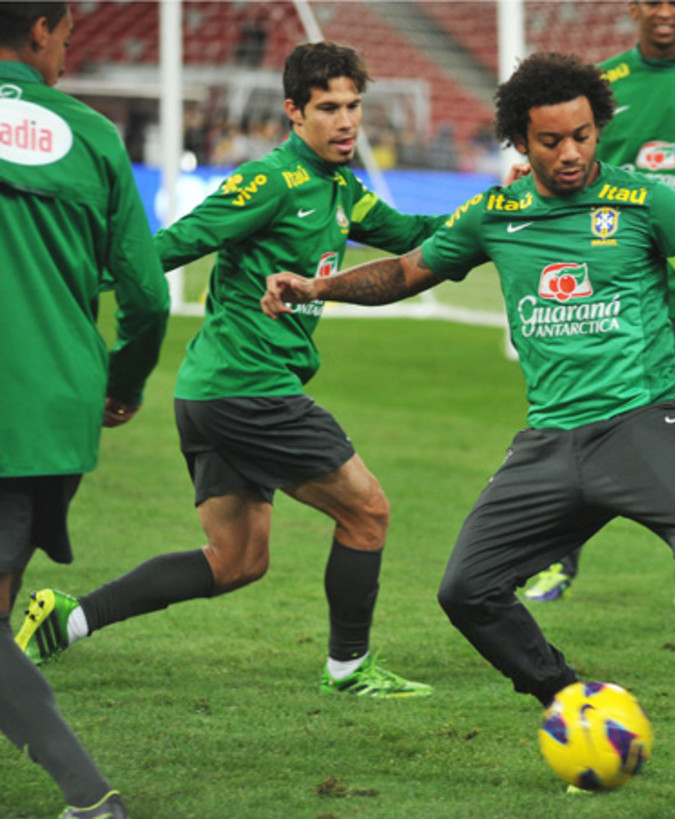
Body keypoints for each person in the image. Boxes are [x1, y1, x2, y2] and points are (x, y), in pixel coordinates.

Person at [261, 51, 675, 774]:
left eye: (582, 135)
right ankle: (569, 697)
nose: (570, 153)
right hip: (551, 441)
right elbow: (406, 272)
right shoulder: (497, 212)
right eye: (551, 141)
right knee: (466, 589)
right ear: (520, 143)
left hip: (647, 420)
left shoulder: (646, 201)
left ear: (599, 128)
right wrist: (315, 286)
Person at [18, 41, 445, 700]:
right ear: (294, 113)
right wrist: (78, 280)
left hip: (211, 394)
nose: (347, 122)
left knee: (238, 560)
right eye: (328, 107)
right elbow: (178, 241)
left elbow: (415, 232)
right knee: (368, 514)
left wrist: (495, 218)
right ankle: (349, 669)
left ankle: (68, 619)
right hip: (248, 389)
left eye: (354, 106)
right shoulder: (270, 180)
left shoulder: (342, 190)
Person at [522, 0, 675, 612]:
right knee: (576, 423)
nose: (664, 11)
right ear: (632, 7)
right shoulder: (603, 86)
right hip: (611, 294)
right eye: (651, 0)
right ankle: (557, 559)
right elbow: (568, 171)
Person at [1, 4, 170, 817]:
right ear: (40, 31)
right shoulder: (94, 136)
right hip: (56, 411)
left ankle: (91, 795)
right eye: (68, 36)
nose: (68, 51)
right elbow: (146, 296)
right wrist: (124, 383)